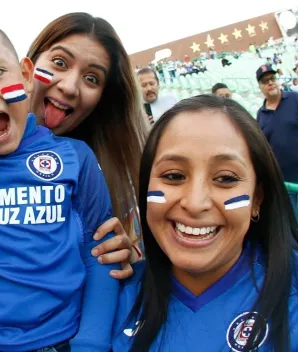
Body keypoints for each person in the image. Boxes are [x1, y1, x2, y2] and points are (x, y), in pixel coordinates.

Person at [0, 17, 119, 351]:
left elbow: (102, 253)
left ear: (26, 76)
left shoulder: (76, 158)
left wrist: (91, 343)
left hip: (63, 341)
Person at [113, 95, 298, 351]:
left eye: (225, 178)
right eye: (174, 175)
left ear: (257, 199)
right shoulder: (113, 297)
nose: (195, 202)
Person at [26, 13, 147, 248]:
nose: (70, 87)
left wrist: (127, 260)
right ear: (28, 65)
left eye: (92, 78)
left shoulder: (112, 186)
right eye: (60, 63)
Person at [256, 64, 298, 219]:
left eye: (272, 78)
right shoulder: (261, 114)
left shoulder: (294, 99)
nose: (270, 83)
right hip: (284, 183)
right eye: (265, 81)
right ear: (260, 87)